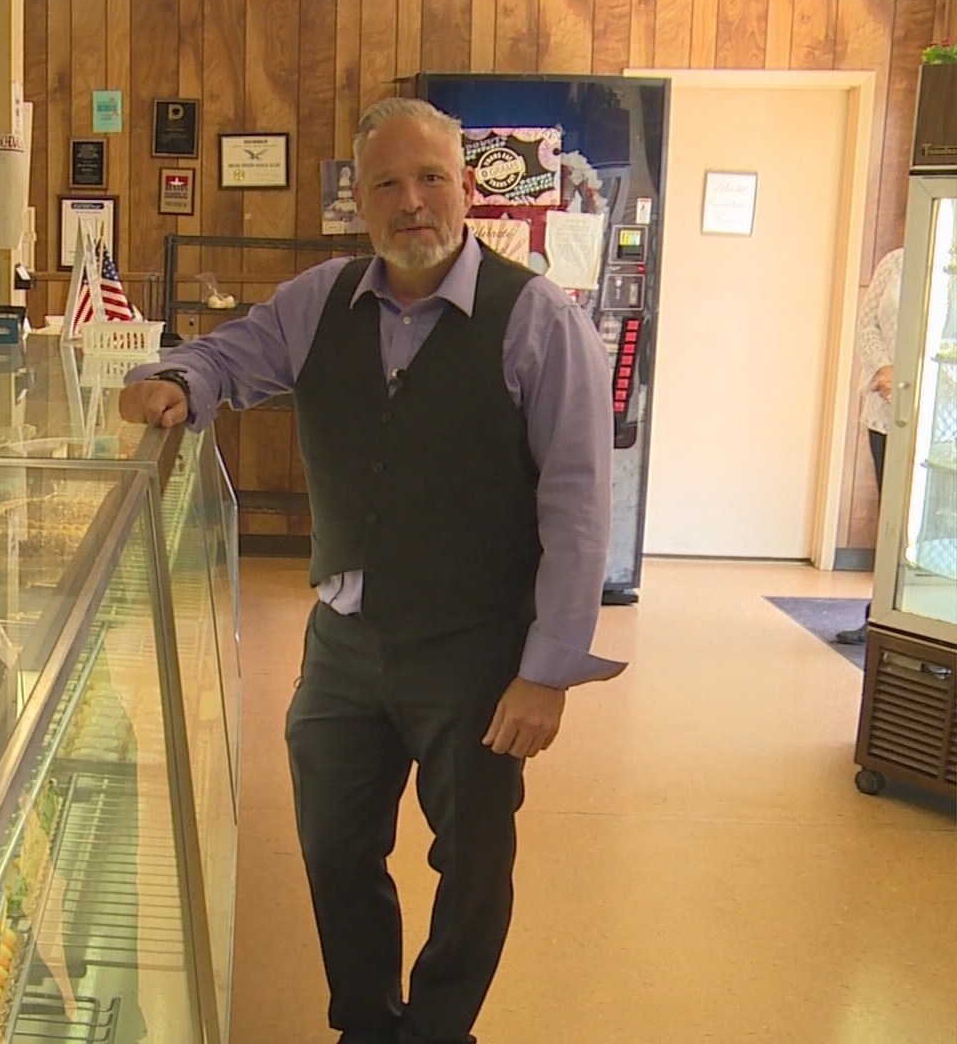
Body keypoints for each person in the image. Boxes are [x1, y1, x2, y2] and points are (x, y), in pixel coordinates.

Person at [118, 97, 625, 1044]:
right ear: (359, 202)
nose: (412, 201)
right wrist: (179, 383)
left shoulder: (540, 324)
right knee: (333, 846)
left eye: (431, 177)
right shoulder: (320, 302)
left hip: (476, 654)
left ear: (468, 189)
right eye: (386, 183)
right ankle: (365, 1021)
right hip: (344, 646)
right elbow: (225, 356)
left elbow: (580, 510)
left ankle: (437, 1029)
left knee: (472, 861)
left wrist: (547, 672)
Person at [838, 246, 905, 645]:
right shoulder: (896, 261)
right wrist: (885, 369)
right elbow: (867, 326)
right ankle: (880, 617)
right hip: (888, 408)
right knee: (893, 517)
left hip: (942, 419)